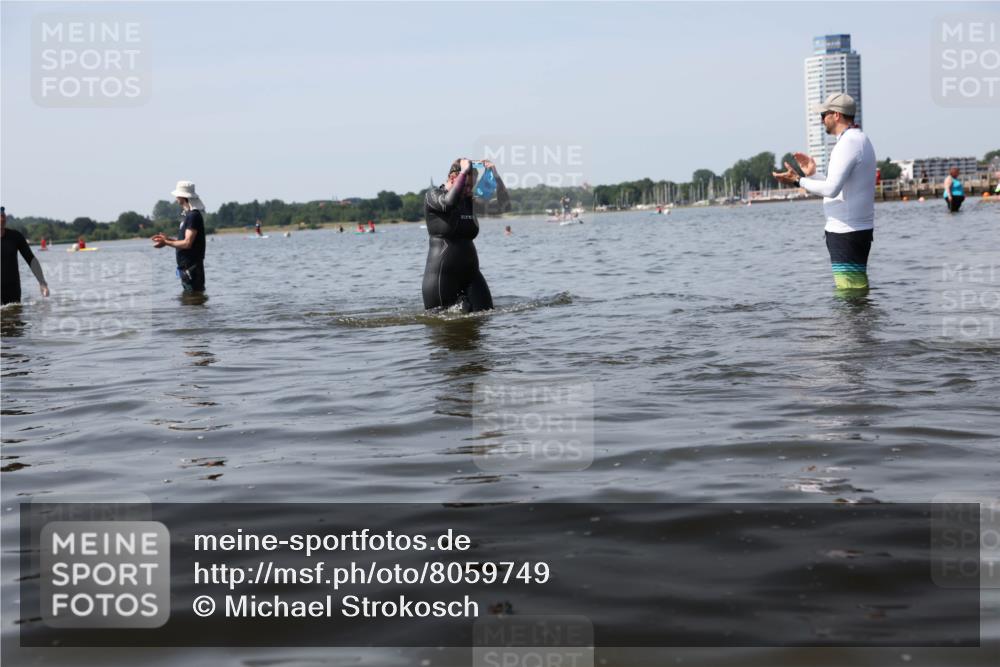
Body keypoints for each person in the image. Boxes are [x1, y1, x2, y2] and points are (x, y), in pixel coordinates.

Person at [774, 93, 876, 290]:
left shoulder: (847, 143)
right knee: (855, 290)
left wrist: (797, 180)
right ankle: (861, 321)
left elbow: (830, 189)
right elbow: (839, 187)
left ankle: (853, 322)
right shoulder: (859, 139)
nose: (821, 120)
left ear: (836, 115)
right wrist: (812, 175)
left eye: (824, 115)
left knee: (849, 292)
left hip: (846, 232)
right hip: (853, 230)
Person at [422, 157, 510, 312]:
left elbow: (504, 206)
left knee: (486, 315)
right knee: (444, 326)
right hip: (442, 276)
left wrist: (495, 175)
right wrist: (464, 171)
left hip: (471, 274)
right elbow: (448, 203)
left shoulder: (469, 202)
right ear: (452, 178)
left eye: (472, 186)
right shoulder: (433, 196)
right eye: (467, 185)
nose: (470, 190)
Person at [152, 181, 207, 293]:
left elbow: (187, 243)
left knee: (193, 299)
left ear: (183, 197)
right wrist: (167, 240)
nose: (176, 198)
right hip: (187, 267)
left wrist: (166, 242)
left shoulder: (193, 216)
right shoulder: (188, 215)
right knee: (191, 301)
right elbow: (184, 242)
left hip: (192, 267)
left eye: (177, 195)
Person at [1, 206, 50, 305]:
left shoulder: (15, 237)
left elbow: (31, 259)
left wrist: (42, 282)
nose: (2, 218)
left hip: (12, 292)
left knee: (14, 316)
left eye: (3, 215)